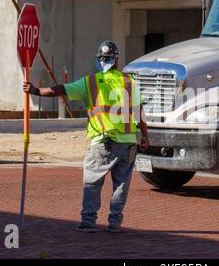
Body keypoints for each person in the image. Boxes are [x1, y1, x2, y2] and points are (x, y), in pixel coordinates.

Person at [23, 41, 150, 233]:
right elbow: (140, 111)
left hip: (102, 141)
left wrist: (35, 91)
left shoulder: (90, 82)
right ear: (116, 61)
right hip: (128, 142)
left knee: (92, 181)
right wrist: (145, 137)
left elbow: (60, 90)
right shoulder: (129, 82)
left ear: (99, 61)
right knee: (121, 184)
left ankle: (89, 221)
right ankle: (115, 223)